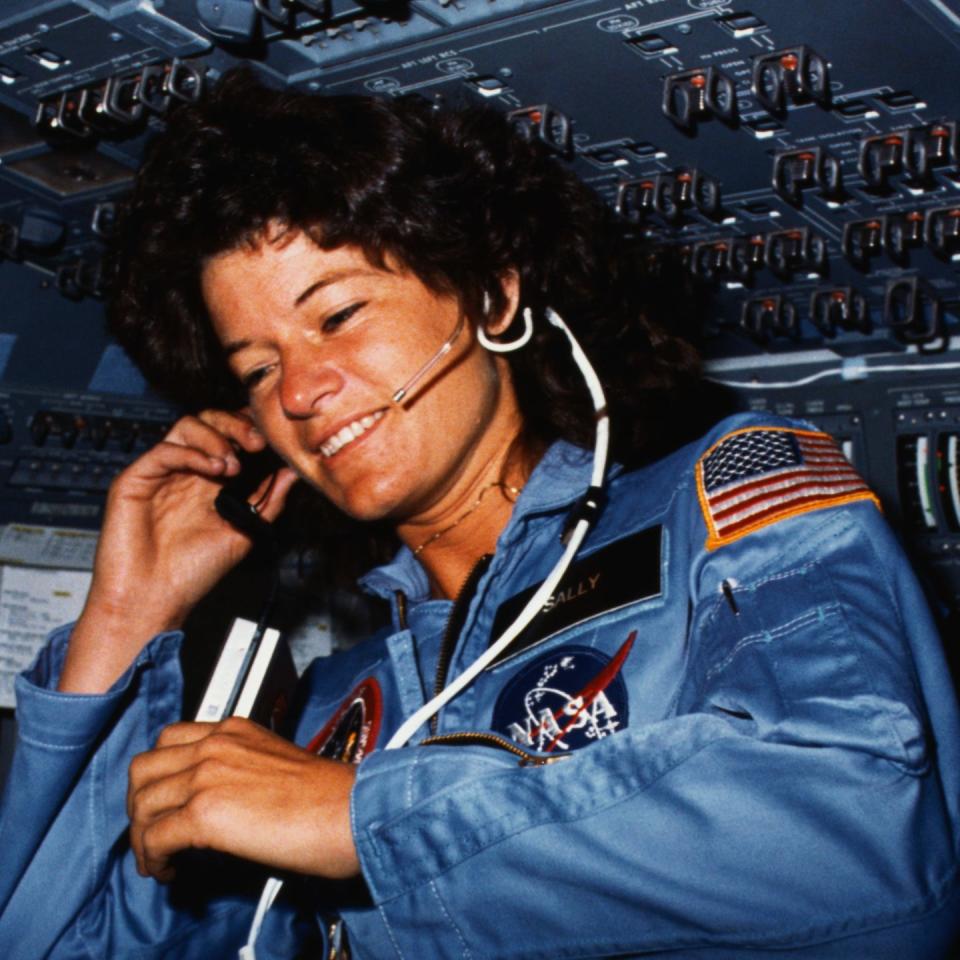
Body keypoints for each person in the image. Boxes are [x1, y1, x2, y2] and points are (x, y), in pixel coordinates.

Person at [1, 68, 958, 960]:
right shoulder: (326, 707)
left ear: (495, 295)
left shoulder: (725, 499)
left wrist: (358, 821)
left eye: (336, 316)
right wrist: (126, 618)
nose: (297, 390)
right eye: (256, 368)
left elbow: (864, 827)